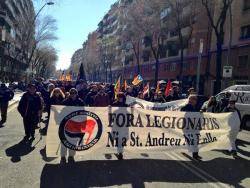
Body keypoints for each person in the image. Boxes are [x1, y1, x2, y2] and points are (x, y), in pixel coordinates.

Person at [181, 94, 202, 161]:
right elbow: (182, 113)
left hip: (194, 127)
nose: (196, 101)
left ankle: (195, 154)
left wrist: (200, 113)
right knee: (192, 141)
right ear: (191, 100)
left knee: (195, 141)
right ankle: (194, 154)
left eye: (196, 99)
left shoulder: (195, 106)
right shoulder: (187, 106)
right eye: (194, 99)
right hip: (188, 127)